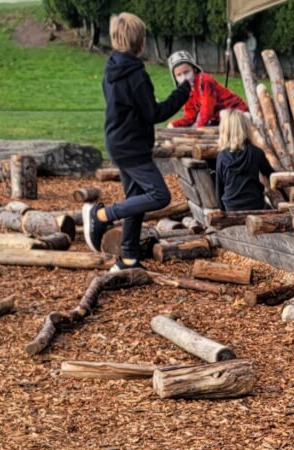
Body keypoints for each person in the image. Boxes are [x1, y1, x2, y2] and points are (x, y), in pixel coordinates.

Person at [82, 12, 191, 271]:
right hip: (132, 147)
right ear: (139, 41)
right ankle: (100, 215)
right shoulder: (136, 75)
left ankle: (128, 258)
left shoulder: (112, 68)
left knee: (137, 197)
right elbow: (154, 113)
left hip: (118, 141)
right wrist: (184, 90)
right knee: (159, 195)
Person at [167, 51, 248, 129]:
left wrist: (196, 131)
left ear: (194, 69)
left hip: (237, 115)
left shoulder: (204, 81)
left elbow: (206, 113)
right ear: (175, 77)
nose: (184, 77)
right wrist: (174, 124)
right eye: (179, 75)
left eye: (186, 72)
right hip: (219, 119)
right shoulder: (187, 90)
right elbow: (190, 116)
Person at [214, 110, 274, 212]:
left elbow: (219, 188)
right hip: (254, 204)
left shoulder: (222, 157)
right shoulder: (256, 153)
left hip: (231, 206)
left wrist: (222, 210)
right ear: (246, 129)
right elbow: (271, 175)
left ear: (225, 131)